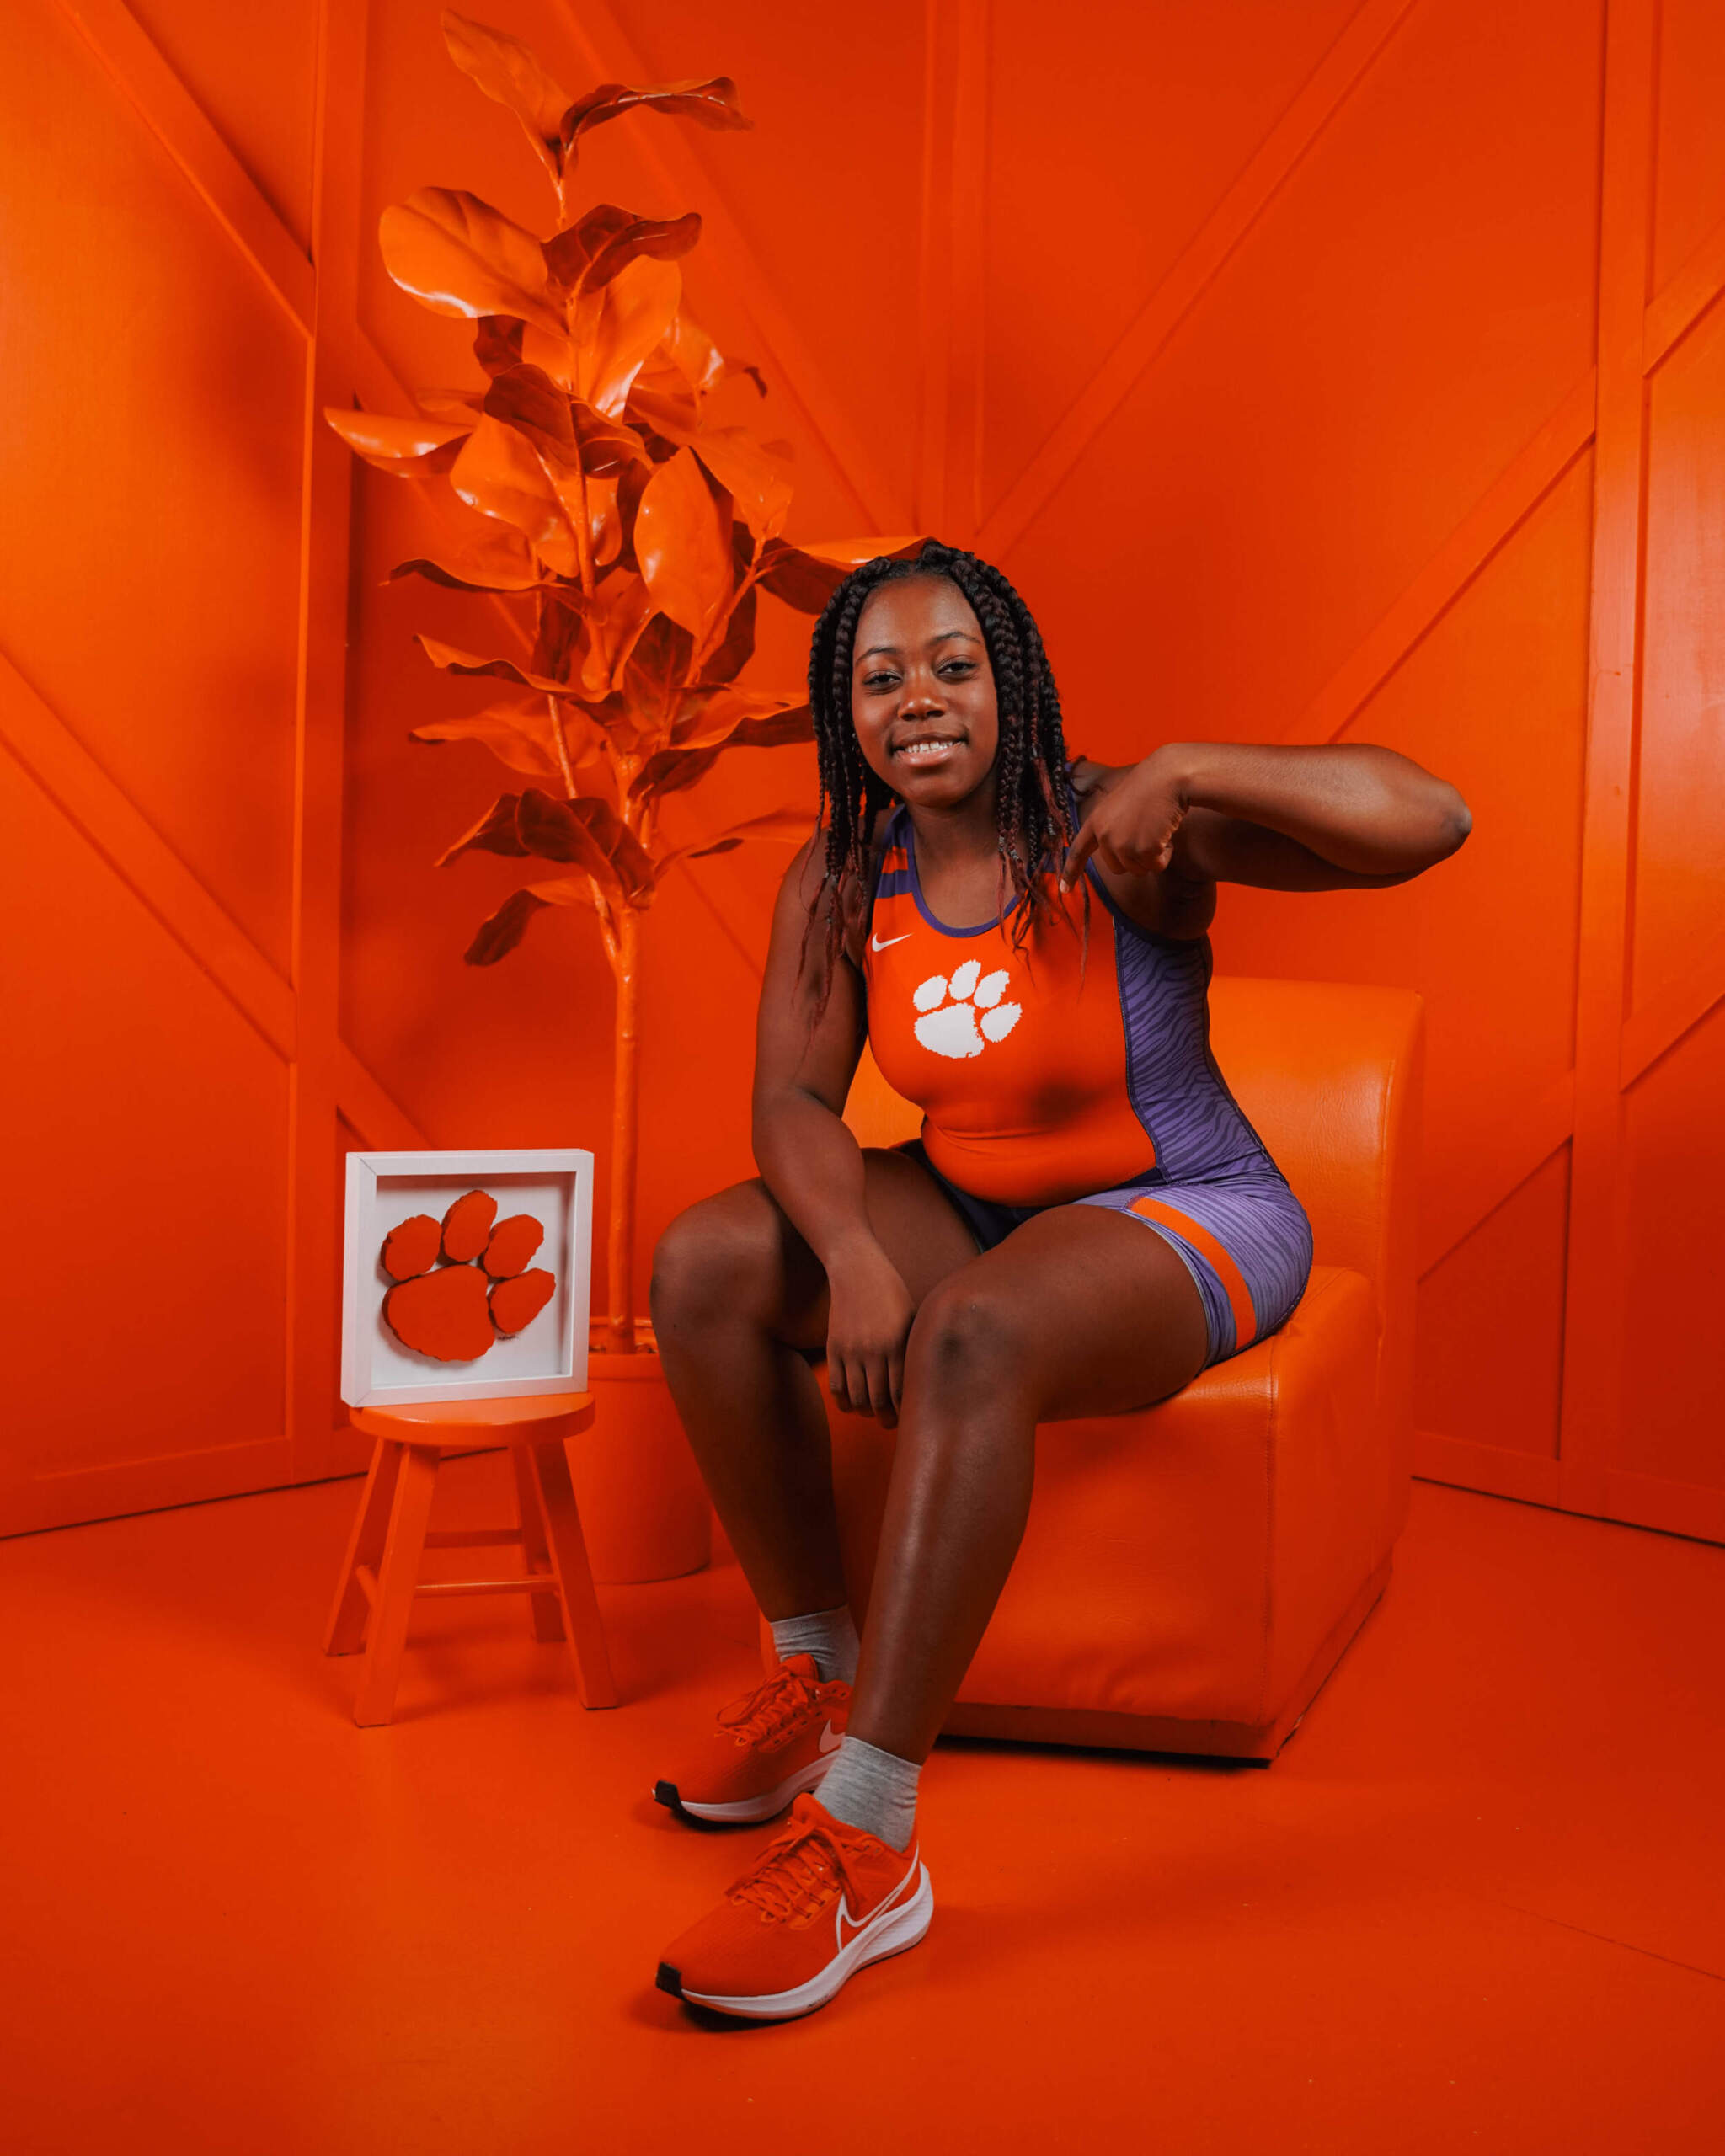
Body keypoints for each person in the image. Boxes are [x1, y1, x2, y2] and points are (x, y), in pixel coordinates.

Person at [647, 541, 1470, 2020]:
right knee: (706, 1262)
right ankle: (816, 1673)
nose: (918, 699)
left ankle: (870, 1838)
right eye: (880, 677)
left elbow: (1430, 817)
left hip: (1189, 1205)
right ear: (846, 712)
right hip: (967, 1197)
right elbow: (793, 1102)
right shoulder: (842, 872)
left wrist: (1189, 768)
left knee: (972, 1336)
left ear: (1009, 682)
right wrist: (851, 1253)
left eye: (952, 666)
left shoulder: (1118, 829)